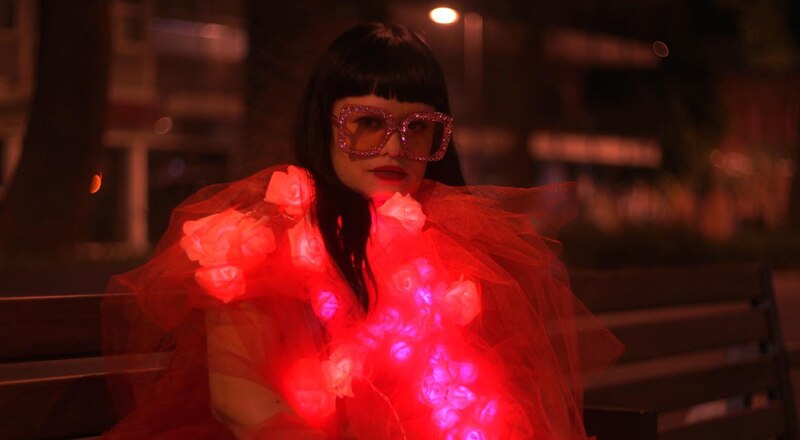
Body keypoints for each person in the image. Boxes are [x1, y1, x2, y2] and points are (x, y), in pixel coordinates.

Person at [102, 23, 621, 440]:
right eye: (367, 122)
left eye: (415, 127)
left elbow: (493, 397)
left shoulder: (456, 238)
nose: (394, 147)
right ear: (324, 123)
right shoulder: (264, 234)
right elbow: (240, 402)